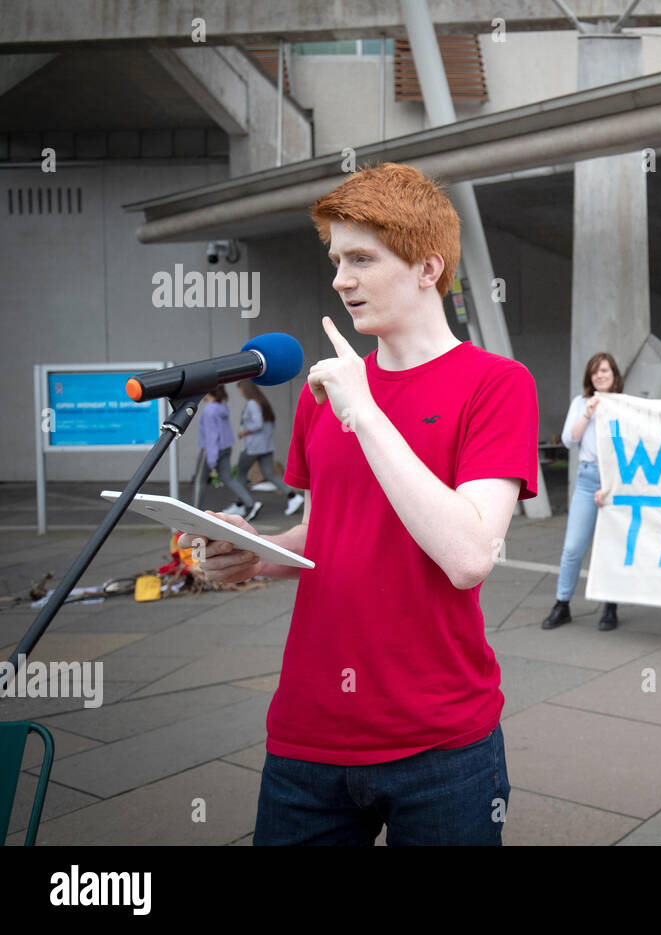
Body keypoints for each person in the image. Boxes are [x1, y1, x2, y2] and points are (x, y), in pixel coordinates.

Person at [181, 163, 539, 845]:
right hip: (307, 736)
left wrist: (368, 413)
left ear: (428, 266)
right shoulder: (328, 392)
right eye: (337, 260)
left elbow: (469, 555)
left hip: (441, 742)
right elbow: (323, 538)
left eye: (362, 258)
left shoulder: (495, 384)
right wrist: (249, 556)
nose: (342, 278)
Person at [541, 352, 622, 632]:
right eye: (595, 372)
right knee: (573, 547)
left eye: (605, 371)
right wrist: (589, 413)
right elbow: (568, 440)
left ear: (614, 375)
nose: (600, 376)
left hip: (614, 482)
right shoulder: (580, 403)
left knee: (610, 548)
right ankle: (562, 603)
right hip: (587, 479)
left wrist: (611, 486)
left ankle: (610, 606)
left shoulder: (624, 405)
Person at [234, 379, 305, 516]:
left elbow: (257, 424)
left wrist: (244, 432)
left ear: (245, 390)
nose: (240, 393)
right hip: (266, 446)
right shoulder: (262, 403)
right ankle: (292, 496)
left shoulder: (252, 404)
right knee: (269, 474)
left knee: (240, 476)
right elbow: (269, 425)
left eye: (240, 390)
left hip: (253, 447)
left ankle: (243, 505)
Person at [192, 385, 261, 520]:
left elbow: (212, 437)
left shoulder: (209, 411)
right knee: (228, 478)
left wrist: (211, 462)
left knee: (200, 481)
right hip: (225, 448)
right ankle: (251, 503)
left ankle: (194, 513)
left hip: (210, 450)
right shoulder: (222, 407)